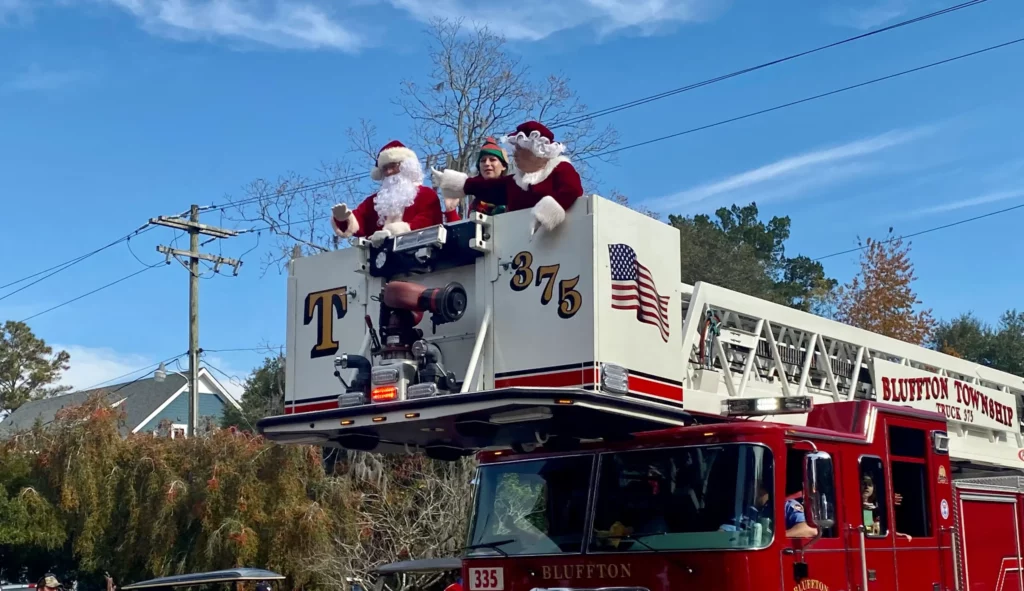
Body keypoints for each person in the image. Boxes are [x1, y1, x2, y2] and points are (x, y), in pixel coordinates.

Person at [432, 121, 584, 235]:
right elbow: (487, 188)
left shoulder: (560, 169)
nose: (515, 154)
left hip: (558, 243)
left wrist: (545, 215)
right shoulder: (514, 182)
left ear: (536, 151)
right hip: (516, 248)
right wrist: (456, 183)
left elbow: (572, 190)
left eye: (520, 149)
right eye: (514, 149)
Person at [331, 140, 452, 243]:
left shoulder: (426, 195)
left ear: (407, 166)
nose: (388, 172)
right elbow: (359, 221)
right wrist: (344, 218)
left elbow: (428, 222)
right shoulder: (375, 201)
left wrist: (392, 232)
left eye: (393, 166)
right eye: (385, 168)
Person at [719, 482, 817, 538]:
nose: (749, 491)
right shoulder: (746, 512)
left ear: (763, 490)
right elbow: (722, 533)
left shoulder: (786, 506)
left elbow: (809, 529)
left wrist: (772, 540)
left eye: (754, 487)